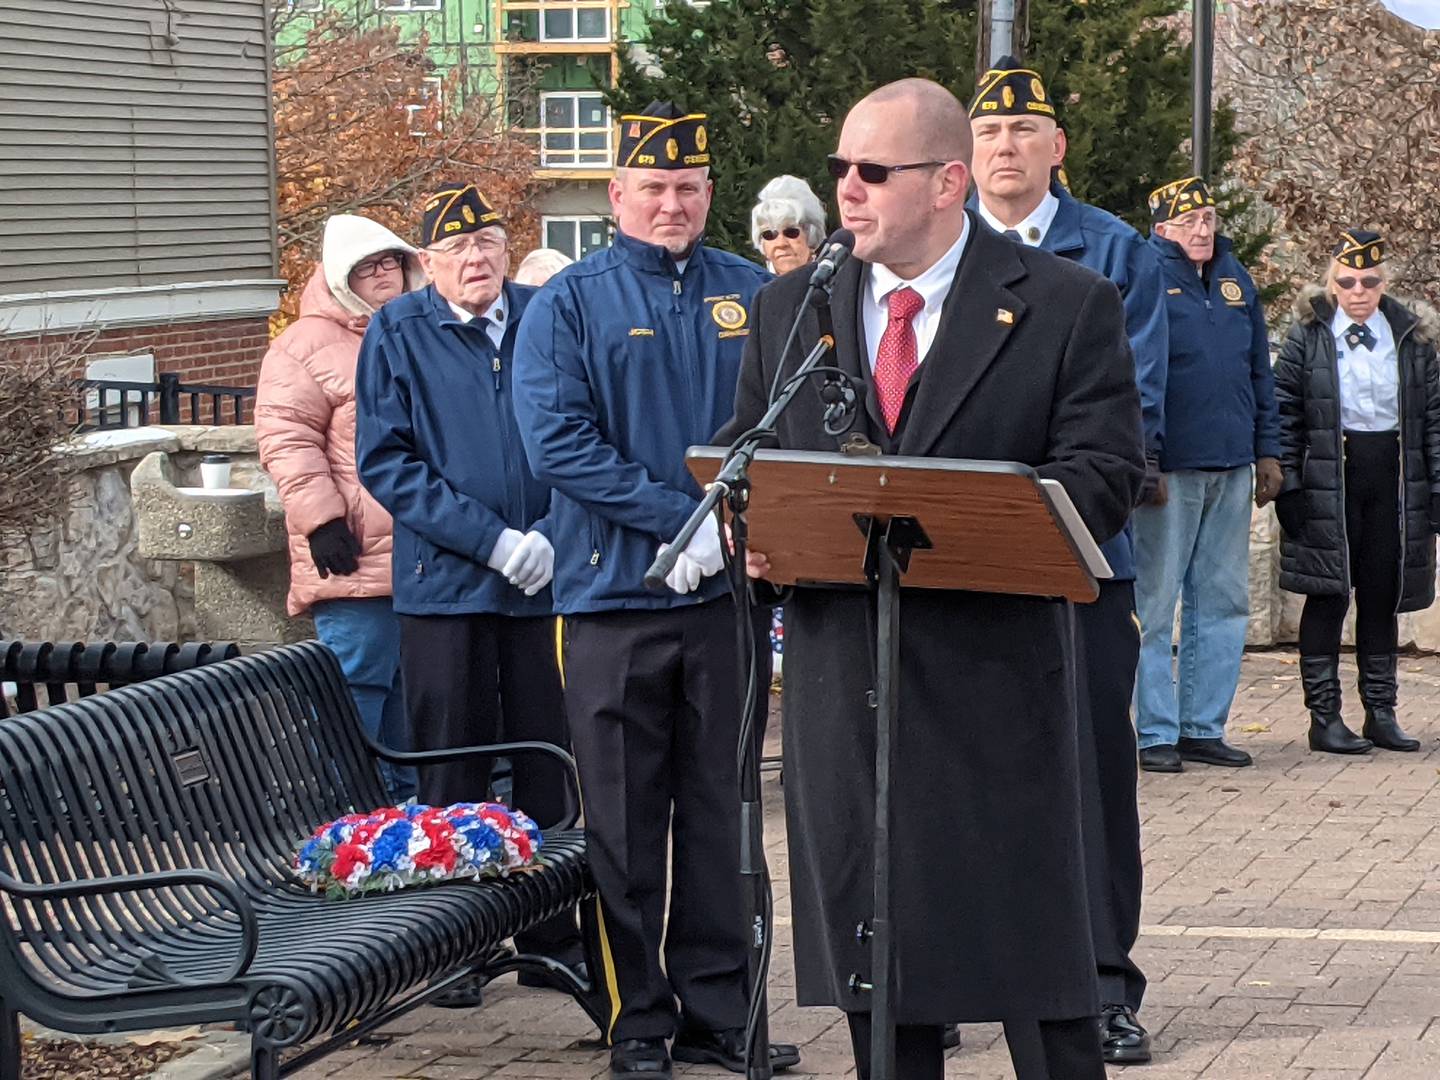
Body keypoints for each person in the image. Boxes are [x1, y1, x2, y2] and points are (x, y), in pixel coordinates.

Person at [721, 78, 1144, 1080]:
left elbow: (1106, 473)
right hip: (847, 691)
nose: (848, 191)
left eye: (873, 171)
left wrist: (972, 515)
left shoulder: (1063, 304)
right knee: (884, 983)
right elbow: (750, 457)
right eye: (840, 170)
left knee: (1037, 971)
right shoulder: (794, 307)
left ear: (948, 181)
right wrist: (756, 532)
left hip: (998, 690)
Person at [512, 103, 799, 1080]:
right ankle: (637, 1021)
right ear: (618, 196)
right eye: (653, 188)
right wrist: (678, 521)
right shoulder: (570, 302)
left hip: (722, 602)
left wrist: (735, 531)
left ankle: (721, 1014)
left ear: (708, 194)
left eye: (688, 189)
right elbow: (556, 442)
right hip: (610, 602)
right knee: (625, 826)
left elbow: (785, 423)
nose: (672, 203)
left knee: (721, 812)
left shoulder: (751, 291)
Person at [967, 57, 1164, 1065]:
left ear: (1058, 148)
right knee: (954, 775)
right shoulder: (935, 251)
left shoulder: (1116, 253)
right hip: (952, 564)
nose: (1005, 148)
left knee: (1088, 781)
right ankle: (956, 974)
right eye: (989, 134)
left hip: (1080, 560)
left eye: (1024, 132)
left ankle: (1100, 986)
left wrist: (1018, 504)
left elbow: (1136, 414)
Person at [354, 182, 582, 982]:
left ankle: (553, 936)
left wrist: (555, 532)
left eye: (487, 241)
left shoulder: (545, 314)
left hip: (546, 579)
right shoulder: (396, 331)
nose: (475, 259)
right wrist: (489, 541)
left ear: (508, 250)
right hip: (444, 584)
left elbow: (582, 427)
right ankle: (458, 945)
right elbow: (386, 460)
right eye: (456, 249)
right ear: (428, 264)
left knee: (546, 754)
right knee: (452, 760)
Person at [257, 214, 424, 803]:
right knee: (356, 692)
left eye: (391, 262)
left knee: (412, 700)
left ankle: (406, 821)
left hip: (424, 555)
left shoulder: (419, 329)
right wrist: (323, 520)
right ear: (341, 276)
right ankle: (350, 818)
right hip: (353, 559)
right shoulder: (303, 345)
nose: (384, 275)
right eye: (367, 266)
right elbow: (286, 439)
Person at [1134, 176, 1282, 774]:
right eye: (1189, 220)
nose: (1203, 229)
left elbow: (1259, 373)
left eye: (1209, 217)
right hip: (1173, 468)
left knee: (1222, 600)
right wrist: (1145, 457)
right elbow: (1137, 372)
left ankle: (1202, 725)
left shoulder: (1234, 278)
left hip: (1232, 463)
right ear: (1162, 228)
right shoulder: (1147, 275)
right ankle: (1155, 731)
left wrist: (1267, 451)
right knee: (1155, 600)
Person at [1273, 229, 1440, 755]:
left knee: (1381, 593)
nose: (1359, 292)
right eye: (1347, 282)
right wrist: (1289, 486)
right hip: (1330, 474)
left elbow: (1432, 418)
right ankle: (1324, 716)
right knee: (1326, 594)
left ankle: (1381, 711)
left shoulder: (1412, 337)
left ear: (1384, 283)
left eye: (1369, 281)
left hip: (1389, 474)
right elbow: (1286, 412)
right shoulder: (1309, 335)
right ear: (1332, 284)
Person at [750, 174, 827, 274]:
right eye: (769, 234)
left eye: (791, 232)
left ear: (811, 236)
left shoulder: (836, 285)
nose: (781, 243)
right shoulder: (752, 285)